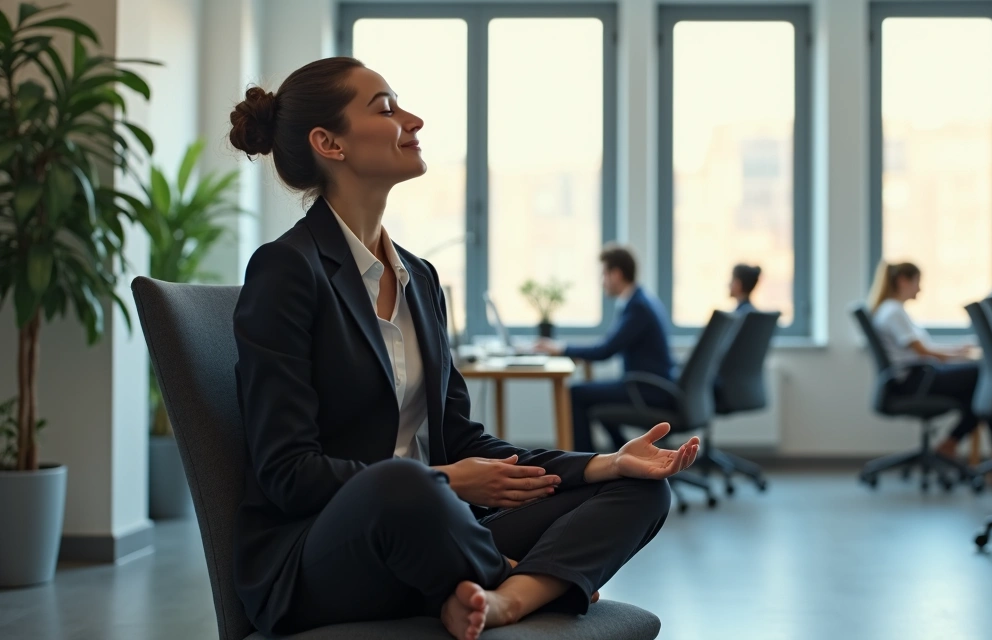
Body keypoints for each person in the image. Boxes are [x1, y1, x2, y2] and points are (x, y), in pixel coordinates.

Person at [227, 57, 700, 640]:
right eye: (386, 108)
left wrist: (604, 463)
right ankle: (521, 577)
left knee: (641, 489)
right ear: (329, 143)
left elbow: (464, 442)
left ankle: (503, 600)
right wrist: (447, 480)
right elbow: (288, 473)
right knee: (405, 483)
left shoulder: (420, 280)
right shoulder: (286, 270)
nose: (414, 120)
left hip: (437, 529)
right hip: (322, 557)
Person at [868, 261, 992, 472]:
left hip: (917, 377)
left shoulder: (892, 310)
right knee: (987, 378)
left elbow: (923, 349)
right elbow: (923, 352)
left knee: (977, 394)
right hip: (916, 380)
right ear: (903, 281)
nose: (920, 288)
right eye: (917, 282)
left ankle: (954, 446)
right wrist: (958, 356)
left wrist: (958, 350)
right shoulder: (893, 312)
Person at [534, 245, 677, 452]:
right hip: (650, 384)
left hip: (648, 389)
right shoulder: (640, 300)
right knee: (595, 396)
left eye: (604, 274)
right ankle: (622, 451)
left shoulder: (637, 307)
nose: (602, 282)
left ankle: (584, 461)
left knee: (576, 393)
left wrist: (561, 348)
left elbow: (604, 351)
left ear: (616, 274)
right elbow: (607, 346)